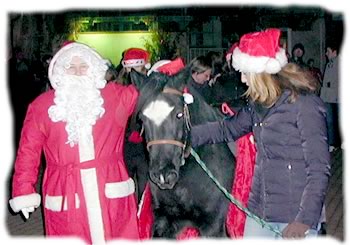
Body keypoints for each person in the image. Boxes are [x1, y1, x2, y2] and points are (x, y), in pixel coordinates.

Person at [190, 28, 331, 239]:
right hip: (261, 210)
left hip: (296, 215)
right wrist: (185, 136)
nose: (243, 80)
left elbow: (319, 167)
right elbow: (226, 128)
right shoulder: (258, 105)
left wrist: (304, 220)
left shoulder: (304, 105)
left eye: (246, 74)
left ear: (261, 73)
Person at [8, 42, 140, 243]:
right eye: (71, 67)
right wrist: (23, 190)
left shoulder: (116, 97)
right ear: (60, 71)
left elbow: (154, 90)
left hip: (110, 186)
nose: (78, 72)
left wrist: (154, 69)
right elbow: (28, 152)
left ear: (94, 69)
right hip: (65, 189)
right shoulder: (42, 106)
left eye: (83, 66)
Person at [116, 47, 151, 202]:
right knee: (125, 186)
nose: (133, 72)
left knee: (144, 187)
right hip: (124, 145)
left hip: (145, 145)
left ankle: (142, 218)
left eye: (136, 67)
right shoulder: (118, 88)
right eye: (130, 68)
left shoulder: (149, 87)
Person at [320, 42, 341, 152]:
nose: (326, 54)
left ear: (334, 52)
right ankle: (332, 143)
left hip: (338, 97)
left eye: (328, 51)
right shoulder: (329, 65)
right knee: (330, 121)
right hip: (328, 97)